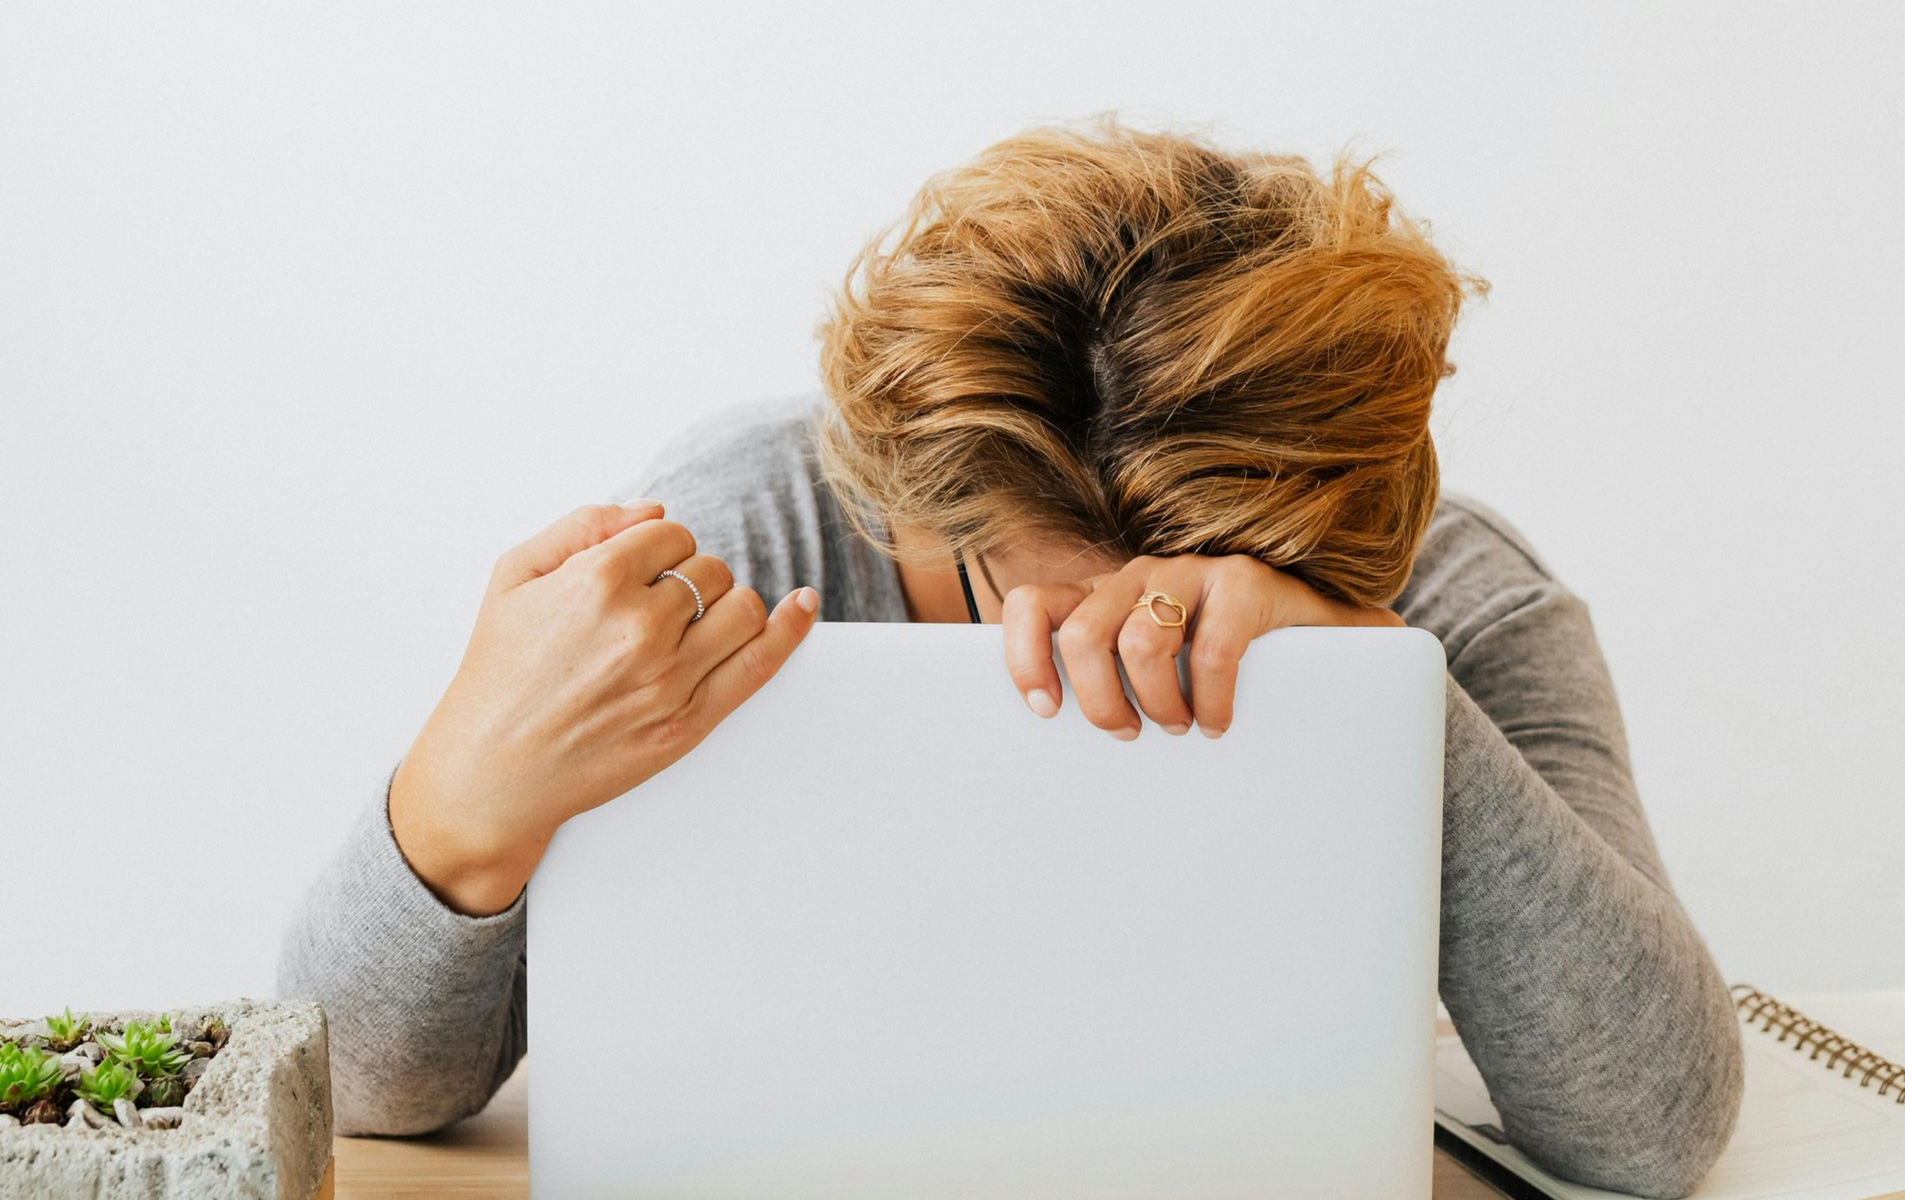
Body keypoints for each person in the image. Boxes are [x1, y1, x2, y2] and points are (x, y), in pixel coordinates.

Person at [277, 117, 1742, 1198]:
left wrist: (1383, 686)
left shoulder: (1463, 596)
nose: (1132, 658)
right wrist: (463, 792)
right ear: (936, 512)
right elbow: (370, 1097)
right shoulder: (743, 542)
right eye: (1060, 601)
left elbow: (1650, 1129)